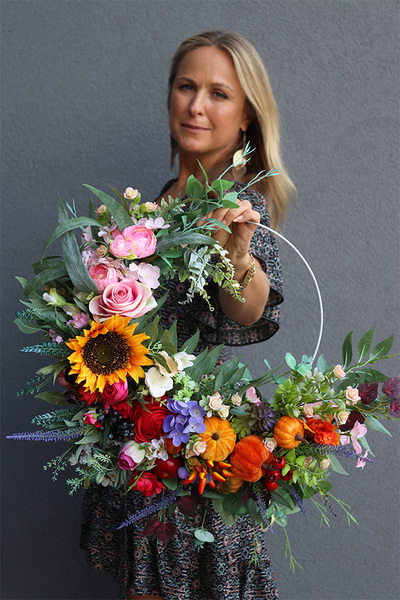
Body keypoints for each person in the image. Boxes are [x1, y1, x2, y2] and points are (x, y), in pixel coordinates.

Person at [80, 31, 295, 600]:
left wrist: (237, 257)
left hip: (192, 460)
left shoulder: (240, 206)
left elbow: (246, 308)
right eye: (186, 87)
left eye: (218, 94)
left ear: (246, 117)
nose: (196, 105)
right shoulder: (151, 207)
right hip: (136, 451)